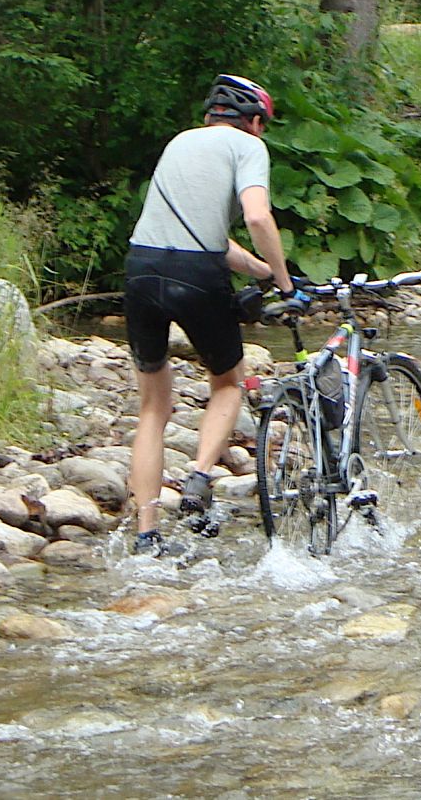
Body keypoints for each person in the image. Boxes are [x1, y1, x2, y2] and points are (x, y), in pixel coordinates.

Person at [123, 73, 304, 556]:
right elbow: (258, 217)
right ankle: (199, 478)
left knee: (152, 409)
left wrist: (261, 270)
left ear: (209, 115)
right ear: (257, 122)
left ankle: (146, 535)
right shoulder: (248, 148)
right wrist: (285, 284)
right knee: (226, 383)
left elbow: (204, 234)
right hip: (196, 276)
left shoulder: (180, 142)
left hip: (141, 268)